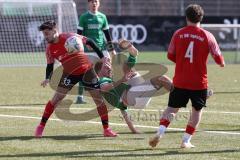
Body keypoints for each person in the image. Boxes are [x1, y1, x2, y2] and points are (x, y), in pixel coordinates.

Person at [149, 4, 225, 148]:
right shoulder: (208, 36)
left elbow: (170, 55)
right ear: (201, 18)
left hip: (180, 80)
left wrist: (184, 63)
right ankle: (186, 140)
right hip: (199, 82)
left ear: (186, 18)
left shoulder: (178, 33)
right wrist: (221, 63)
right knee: (197, 111)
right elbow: (219, 59)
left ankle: (160, 132)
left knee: (171, 109)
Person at [34, 20, 117, 138]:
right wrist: (48, 78)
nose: (45, 37)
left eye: (47, 33)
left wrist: (102, 57)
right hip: (69, 74)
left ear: (54, 31)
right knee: (56, 98)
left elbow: (90, 41)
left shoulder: (71, 37)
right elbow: (49, 65)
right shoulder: (49, 49)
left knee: (98, 99)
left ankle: (107, 129)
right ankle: (41, 126)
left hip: (87, 71)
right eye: (44, 34)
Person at [95, 39, 173, 133]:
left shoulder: (114, 80)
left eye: (108, 66)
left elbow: (123, 111)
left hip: (134, 93)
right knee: (161, 79)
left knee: (126, 69)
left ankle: (132, 53)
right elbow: (104, 88)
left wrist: (133, 130)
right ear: (99, 72)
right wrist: (122, 80)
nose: (108, 67)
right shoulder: (103, 81)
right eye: (106, 66)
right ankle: (181, 95)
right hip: (134, 97)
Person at [75, 0, 116, 104]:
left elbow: (107, 35)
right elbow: (78, 35)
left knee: (108, 70)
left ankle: (110, 94)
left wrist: (112, 49)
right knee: (84, 73)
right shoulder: (84, 17)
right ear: (89, 3)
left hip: (102, 49)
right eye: (92, 1)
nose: (94, 3)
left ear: (99, 3)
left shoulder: (103, 17)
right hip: (89, 51)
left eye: (96, 1)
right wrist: (83, 46)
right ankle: (80, 97)